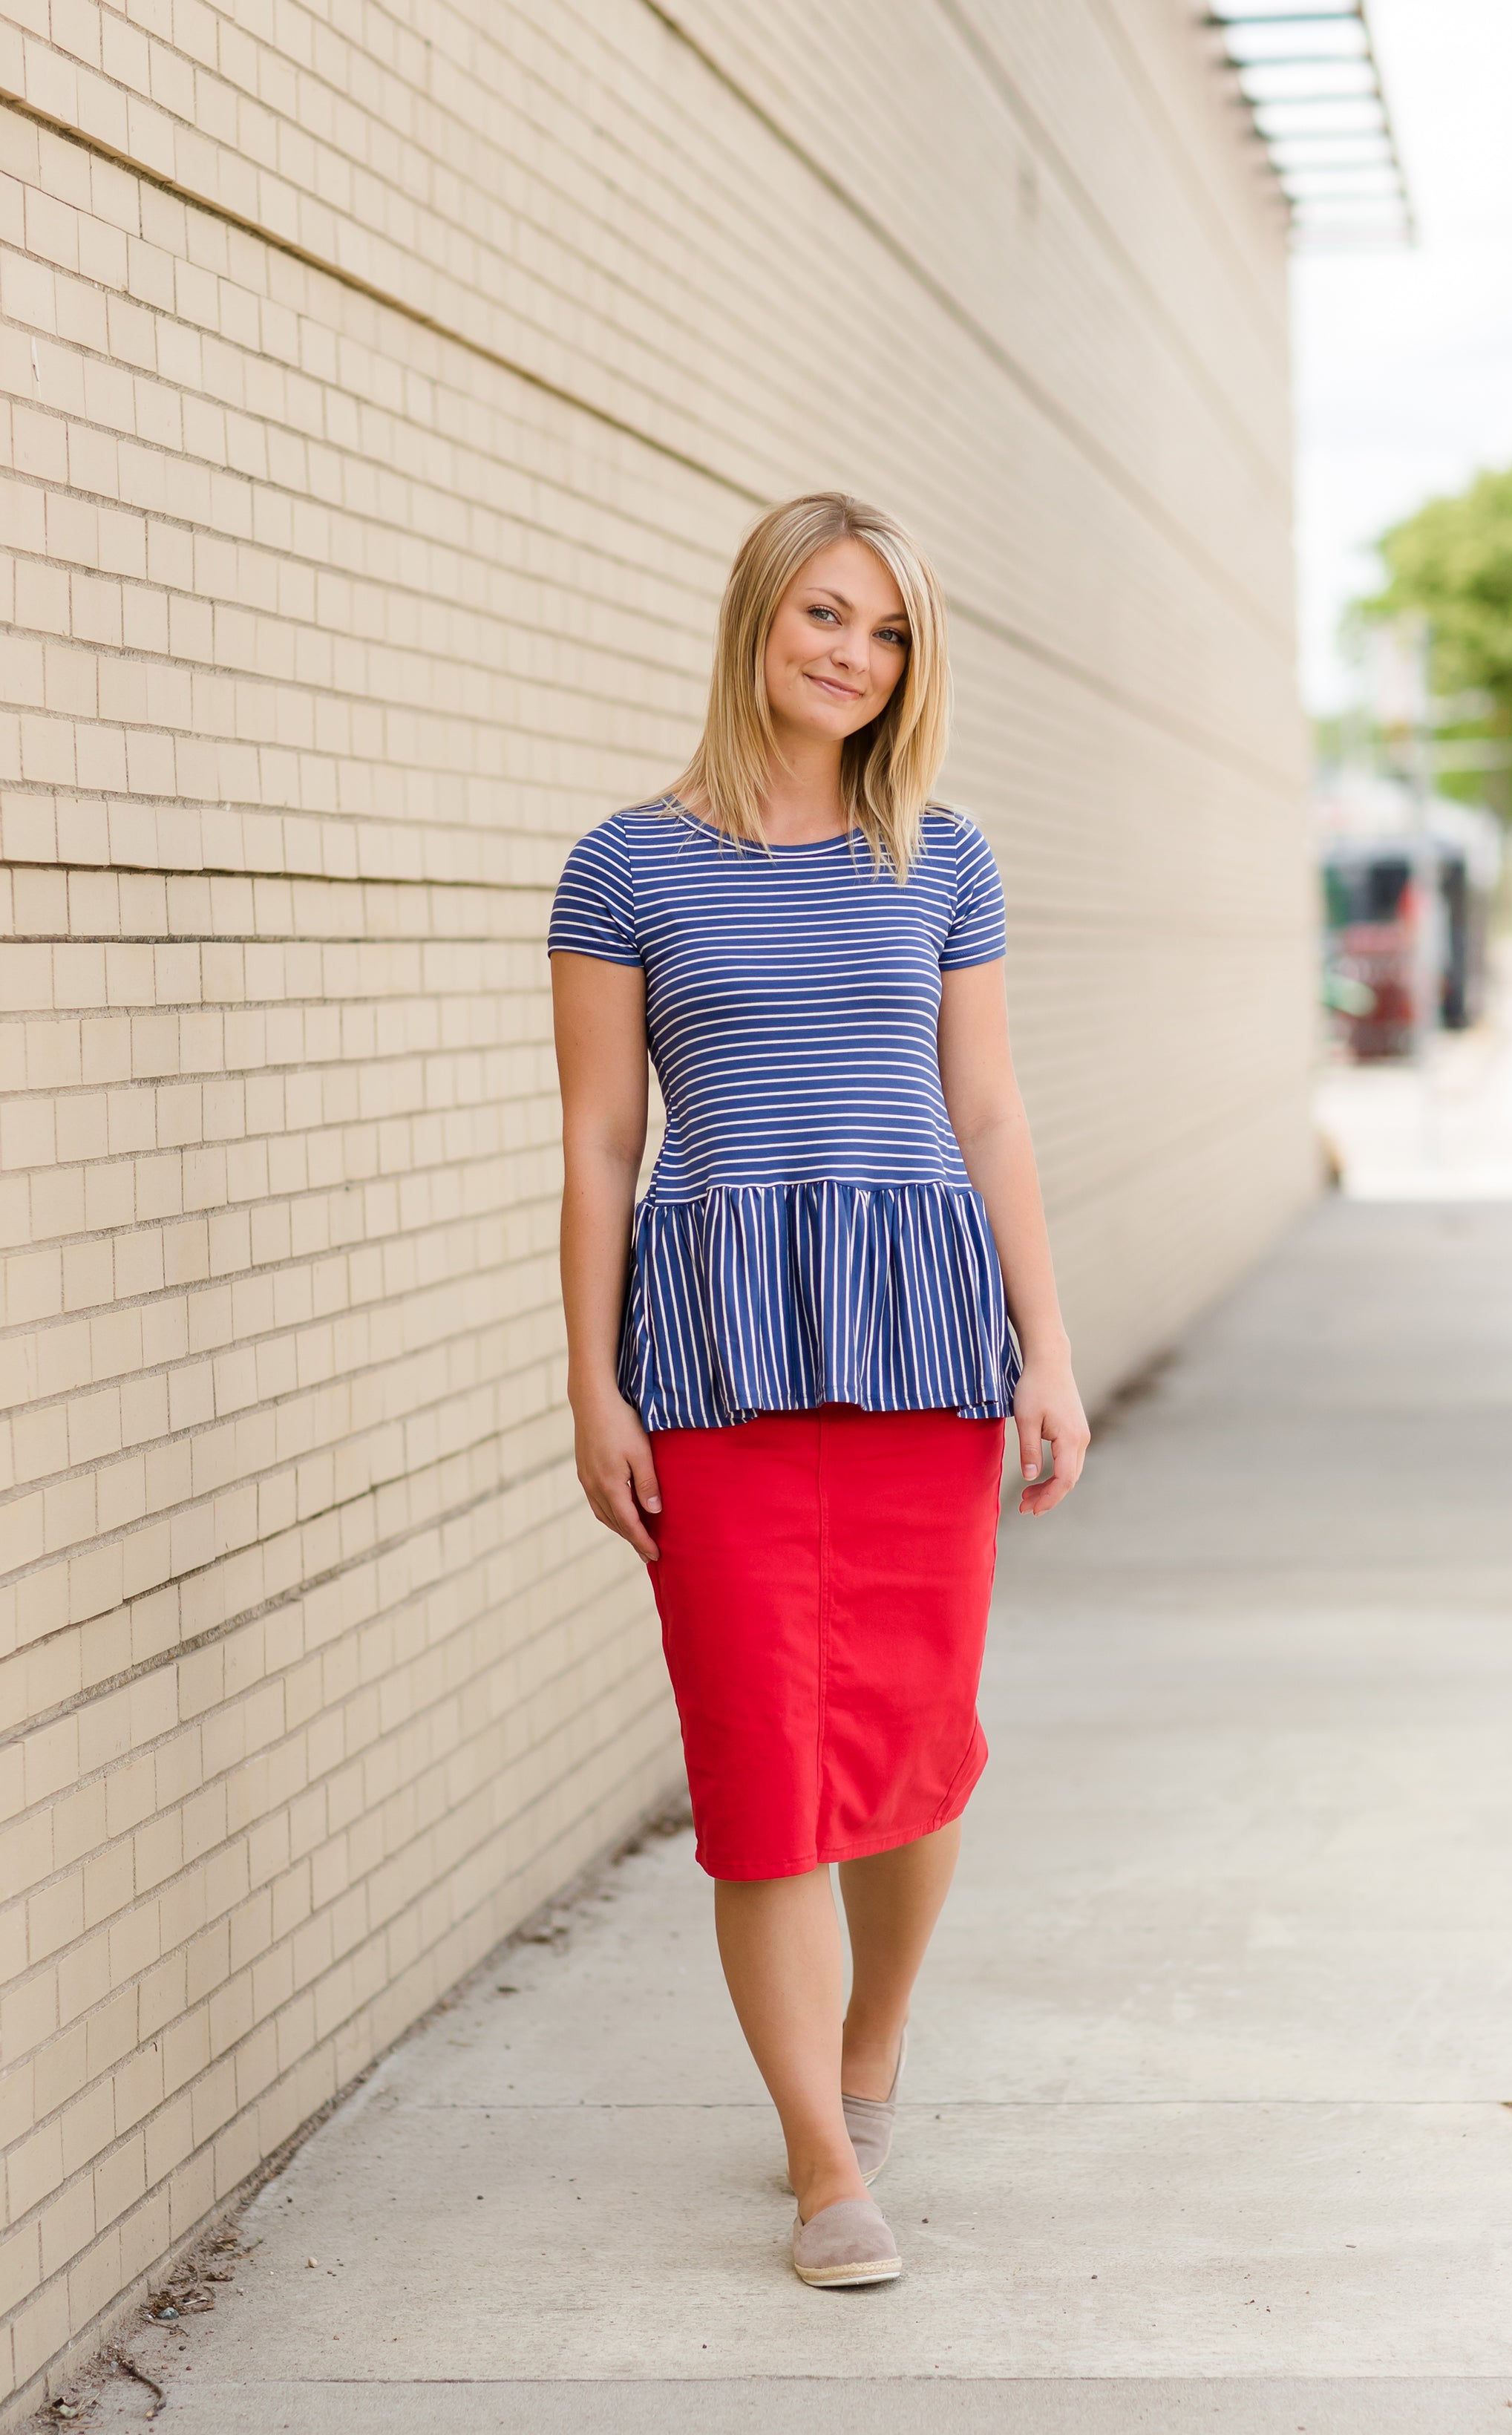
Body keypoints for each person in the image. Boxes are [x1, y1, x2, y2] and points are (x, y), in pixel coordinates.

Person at [548, 491, 1089, 2289]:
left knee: (914, 1756)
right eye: (828, 617)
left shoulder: (941, 856)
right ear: (759, 620)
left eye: (889, 633)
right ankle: (816, 2161)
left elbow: (990, 1112)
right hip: (714, 1357)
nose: (854, 655)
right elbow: (601, 1140)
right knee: (767, 1769)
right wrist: (589, 1386)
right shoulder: (625, 865)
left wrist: (1049, 1350)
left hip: (925, 1349)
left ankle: (875, 2038)